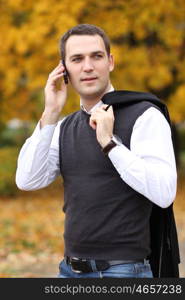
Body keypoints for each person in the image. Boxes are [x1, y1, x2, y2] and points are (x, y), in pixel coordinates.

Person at [16, 24, 179, 278]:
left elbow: (165, 193)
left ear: (110, 62)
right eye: (77, 59)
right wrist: (50, 113)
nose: (88, 66)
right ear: (64, 70)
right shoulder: (63, 127)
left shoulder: (145, 115)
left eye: (97, 56)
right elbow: (27, 180)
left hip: (124, 271)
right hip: (69, 270)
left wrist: (110, 144)